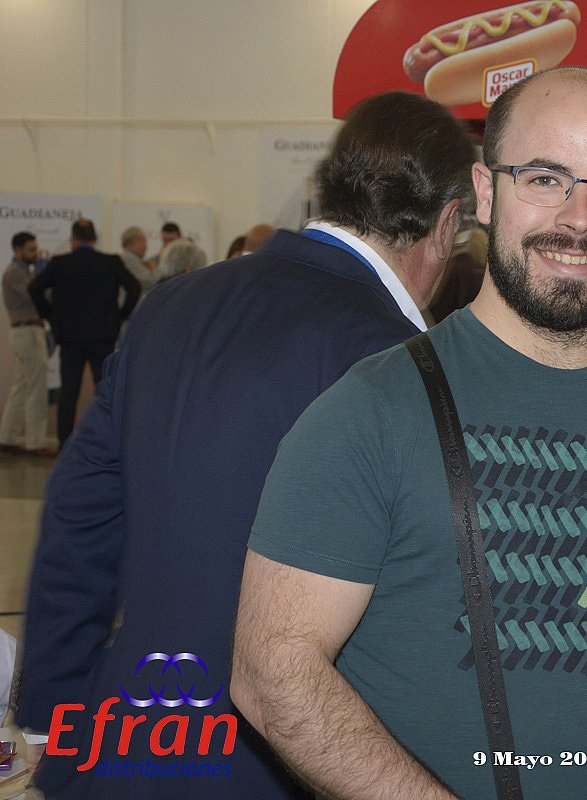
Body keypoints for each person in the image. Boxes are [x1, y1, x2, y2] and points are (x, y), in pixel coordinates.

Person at [230, 67, 587, 800]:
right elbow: (272, 670)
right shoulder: (372, 412)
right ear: (484, 191)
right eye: (545, 178)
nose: (579, 218)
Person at [16, 90, 476, 800]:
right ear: (446, 225)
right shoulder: (402, 360)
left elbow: (79, 523)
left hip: (127, 741)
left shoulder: (172, 306)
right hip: (287, 766)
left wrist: (52, 723)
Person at [28, 219, 139, 444]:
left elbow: (35, 288)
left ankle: (64, 445)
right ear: (95, 239)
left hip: (70, 338)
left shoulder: (60, 263)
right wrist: (120, 317)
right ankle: (109, 442)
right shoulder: (110, 262)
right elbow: (134, 287)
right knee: (105, 391)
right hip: (103, 336)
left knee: (69, 393)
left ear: (74, 239)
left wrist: (50, 316)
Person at [0, 232, 52, 456]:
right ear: (17, 250)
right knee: (36, 388)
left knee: (21, 387)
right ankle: (36, 442)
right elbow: (36, 294)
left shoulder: (24, 271)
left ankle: (7, 438)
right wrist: (44, 276)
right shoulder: (14, 272)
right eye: (31, 249)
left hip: (28, 331)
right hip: (27, 331)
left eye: (35, 248)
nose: (35, 253)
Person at [117, 225, 158, 295]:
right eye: (144, 241)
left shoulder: (128, 258)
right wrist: (153, 269)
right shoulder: (129, 259)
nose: (146, 246)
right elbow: (149, 282)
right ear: (133, 242)